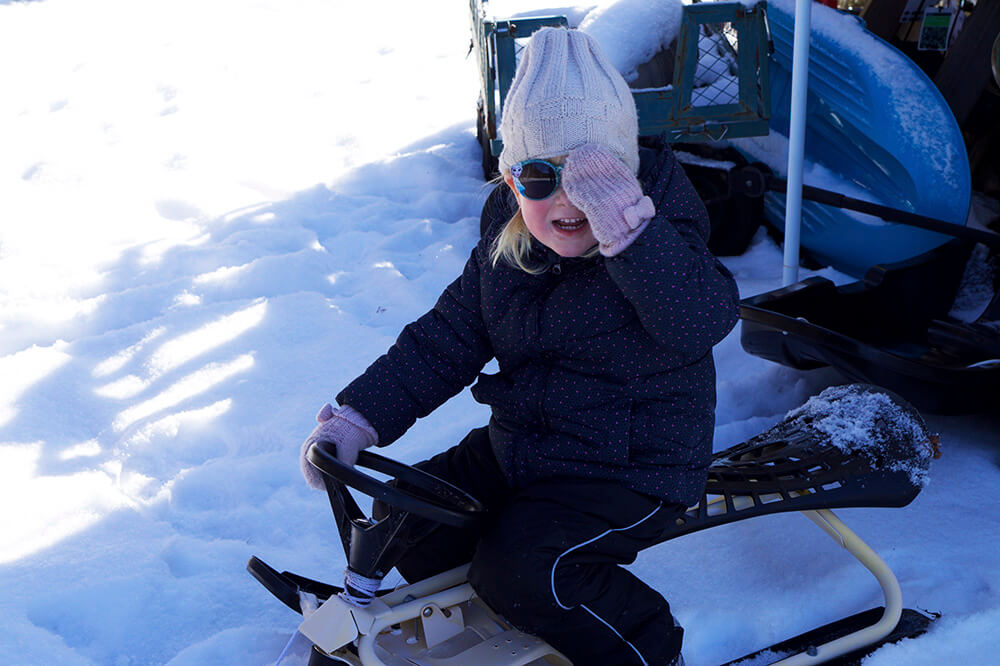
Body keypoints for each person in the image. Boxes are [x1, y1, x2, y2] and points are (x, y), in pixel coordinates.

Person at [300, 27, 740, 666]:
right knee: (411, 515)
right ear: (512, 183)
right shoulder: (507, 241)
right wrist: (359, 416)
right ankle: (491, 616)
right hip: (526, 446)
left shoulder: (659, 237)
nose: (567, 199)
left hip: (631, 466)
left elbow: (701, 319)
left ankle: (644, 646)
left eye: (594, 177)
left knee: (526, 570)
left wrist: (631, 236)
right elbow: (447, 337)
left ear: (627, 178)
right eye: (539, 177)